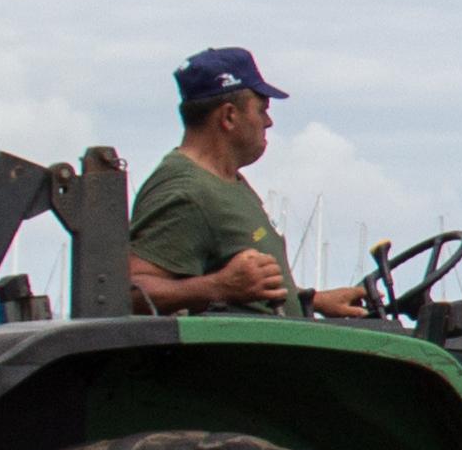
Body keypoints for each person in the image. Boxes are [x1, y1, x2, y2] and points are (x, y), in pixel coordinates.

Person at [127, 47, 372, 319]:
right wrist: (218, 287)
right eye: (262, 109)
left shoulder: (225, 180)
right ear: (229, 116)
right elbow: (131, 293)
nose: (268, 121)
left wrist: (312, 301)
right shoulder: (184, 190)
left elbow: (247, 289)